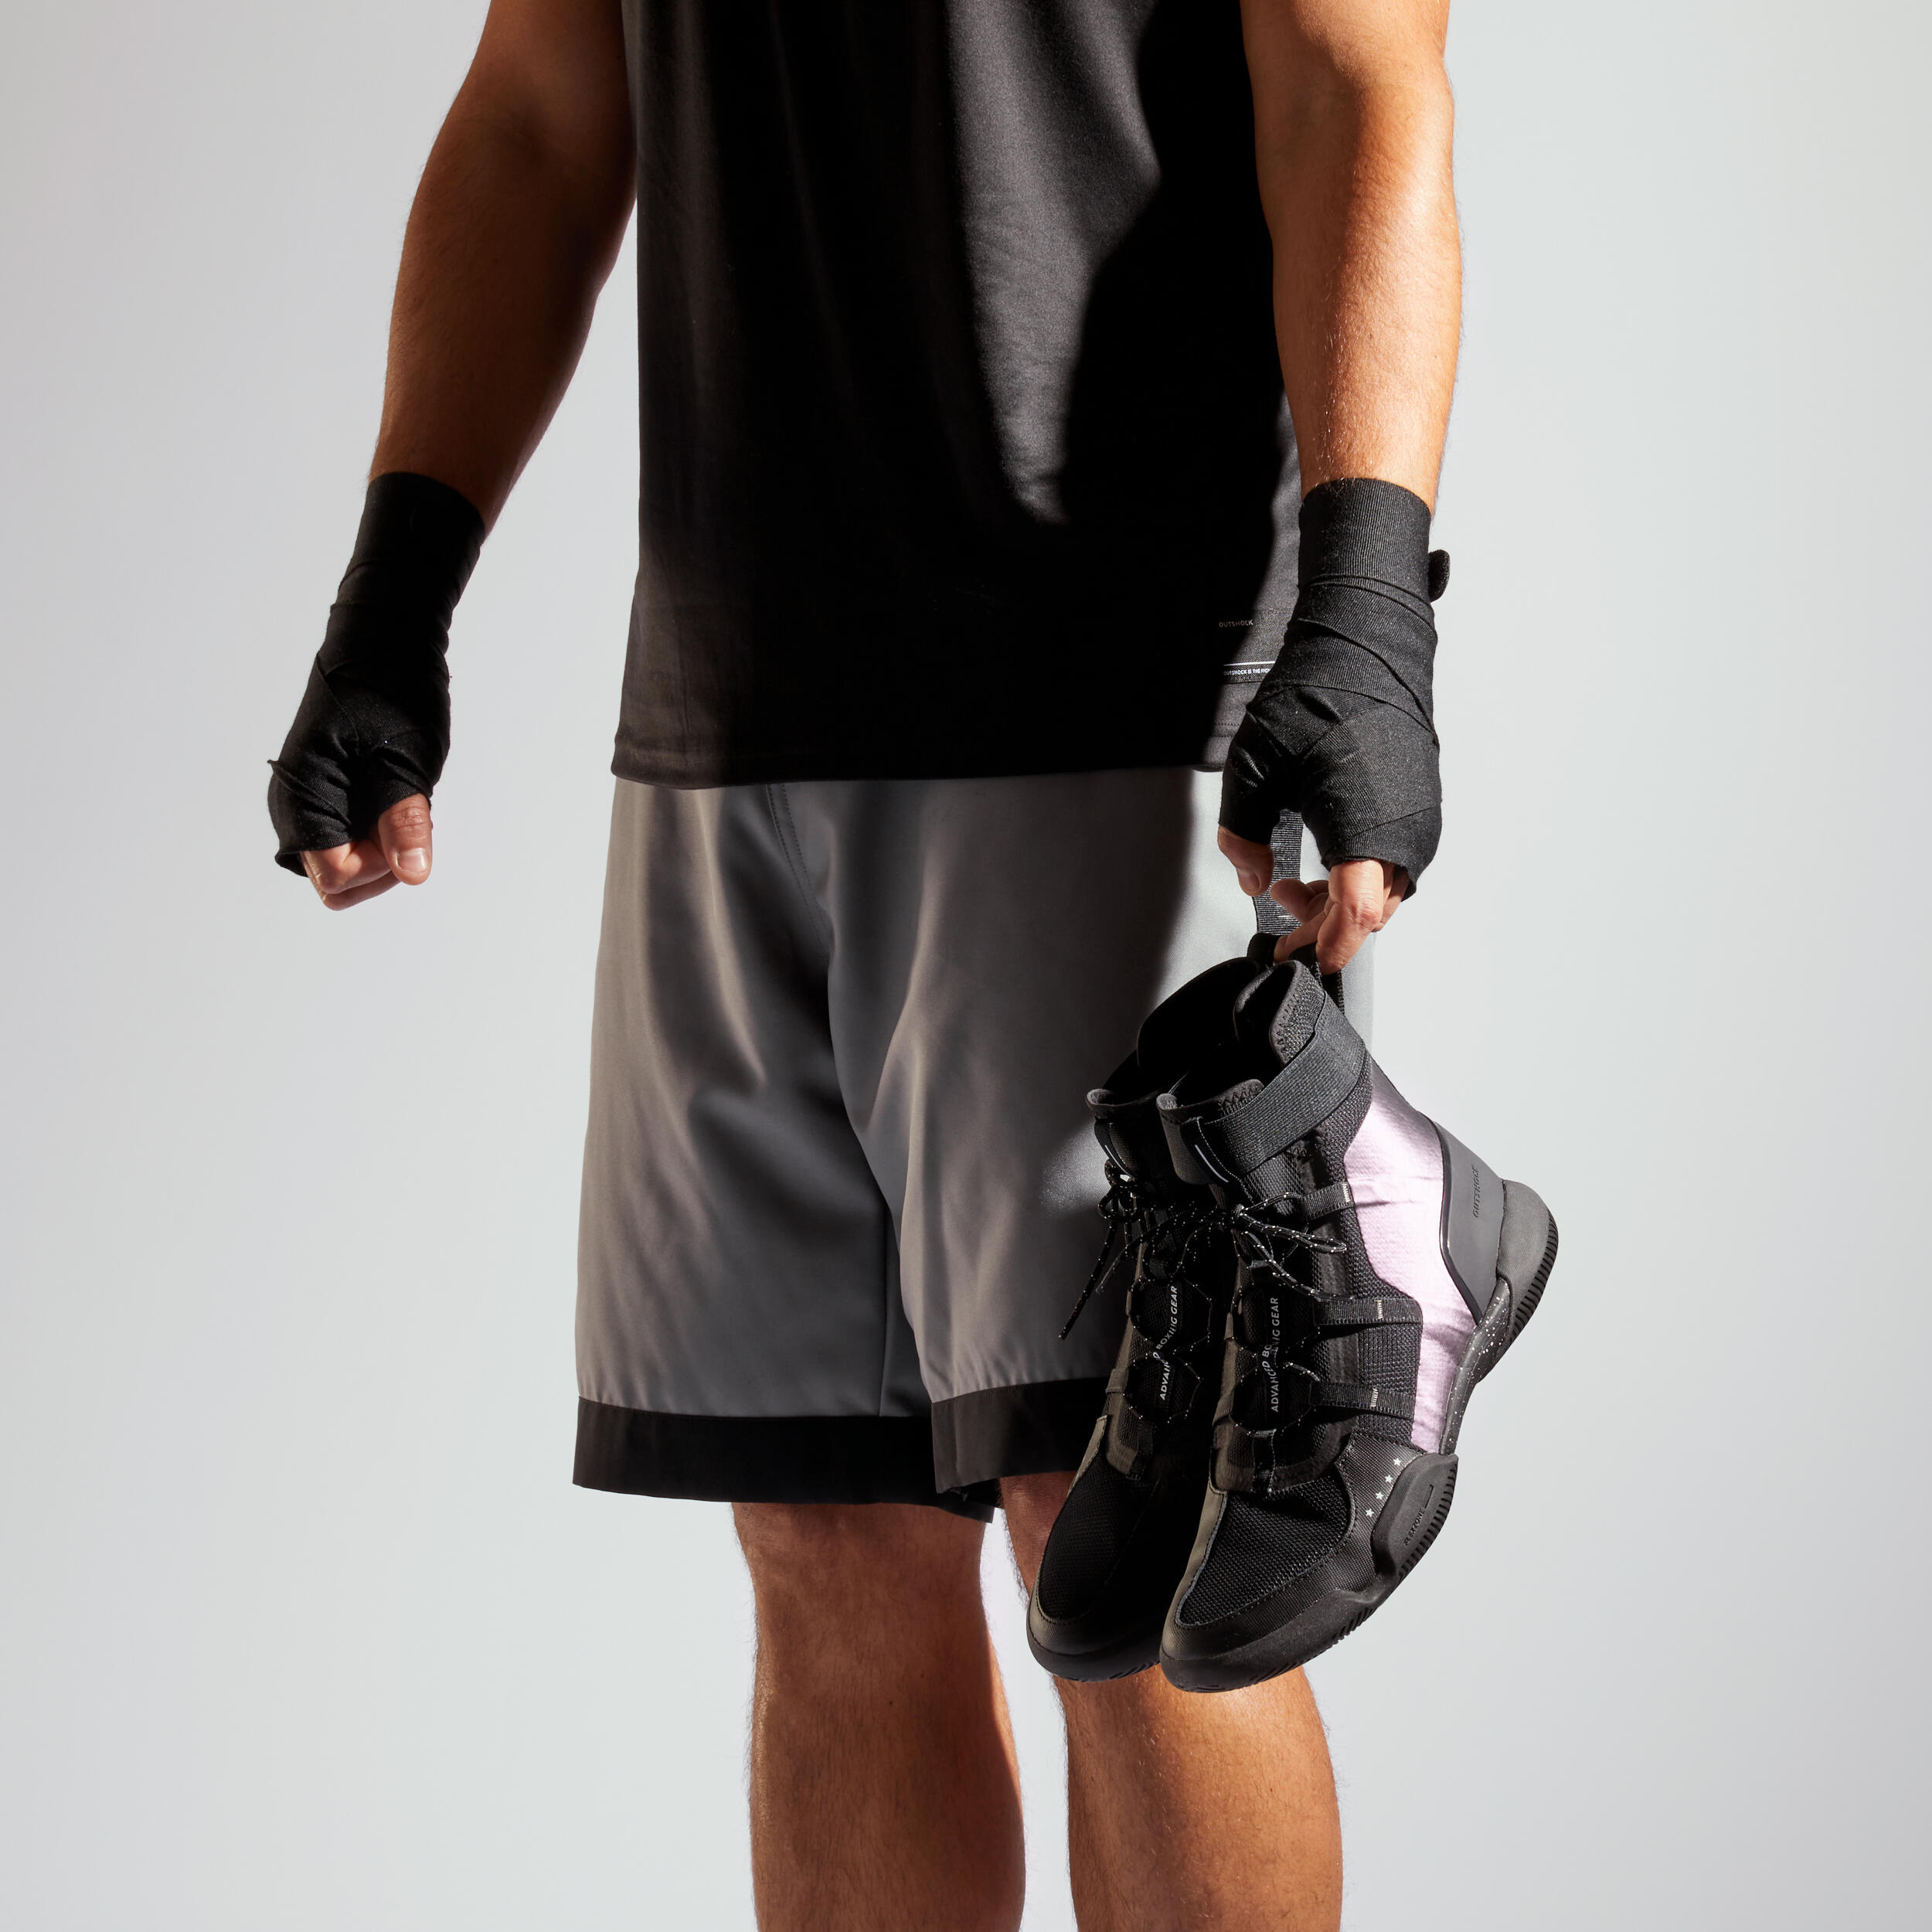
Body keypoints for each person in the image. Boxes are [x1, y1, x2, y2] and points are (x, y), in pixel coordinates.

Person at [267, 1, 1461, 1924]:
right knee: (823, 1543)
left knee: (1137, 1532)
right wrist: (396, 591)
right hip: (727, 715)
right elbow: (542, 106)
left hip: (1107, 691)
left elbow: (1352, 66)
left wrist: (1368, 603)